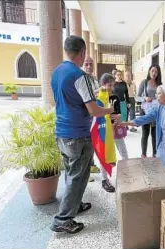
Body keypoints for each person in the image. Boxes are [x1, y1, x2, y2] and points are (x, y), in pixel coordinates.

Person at [50, 35, 114, 234]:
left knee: (72, 174)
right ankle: (63, 219)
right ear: (82, 52)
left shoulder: (56, 72)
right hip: (77, 134)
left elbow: (68, 100)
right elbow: (94, 111)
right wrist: (109, 110)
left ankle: (74, 206)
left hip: (62, 132)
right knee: (78, 176)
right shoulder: (80, 77)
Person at [121, 85, 165, 168]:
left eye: (159, 93)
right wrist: (126, 123)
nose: (156, 96)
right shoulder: (159, 109)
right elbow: (145, 118)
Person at [93, 73, 120, 193]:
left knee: (107, 155)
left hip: (107, 129)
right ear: (103, 85)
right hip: (100, 130)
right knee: (103, 155)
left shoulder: (107, 97)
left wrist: (115, 117)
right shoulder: (98, 97)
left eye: (112, 86)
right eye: (109, 85)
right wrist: (99, 90)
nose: (111, 88)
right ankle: (104, 180)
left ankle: (106, 178)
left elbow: (107, 114)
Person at [137, 64, 162, 158]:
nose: (154, 73)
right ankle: (143, 154)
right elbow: (137, 97)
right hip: (145, 111)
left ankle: (155, 154)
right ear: (149, 71)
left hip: (155, 112)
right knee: (145, 133)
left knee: (155, 134)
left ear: (158, 73)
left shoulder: (160, 84)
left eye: (156, 71)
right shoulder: (144, 82)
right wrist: (145, 98)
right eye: (152, 71)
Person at [82, 56, 100, 181]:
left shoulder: (94, 78)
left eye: (91, 64)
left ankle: (92, 165)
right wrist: (98, 91)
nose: (89, 66)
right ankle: (86, 172)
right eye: (86, 64)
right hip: (85, 117)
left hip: (95, 115)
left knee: (93, 142)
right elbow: (85, 97)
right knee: (86, 144)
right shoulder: (81, 79)